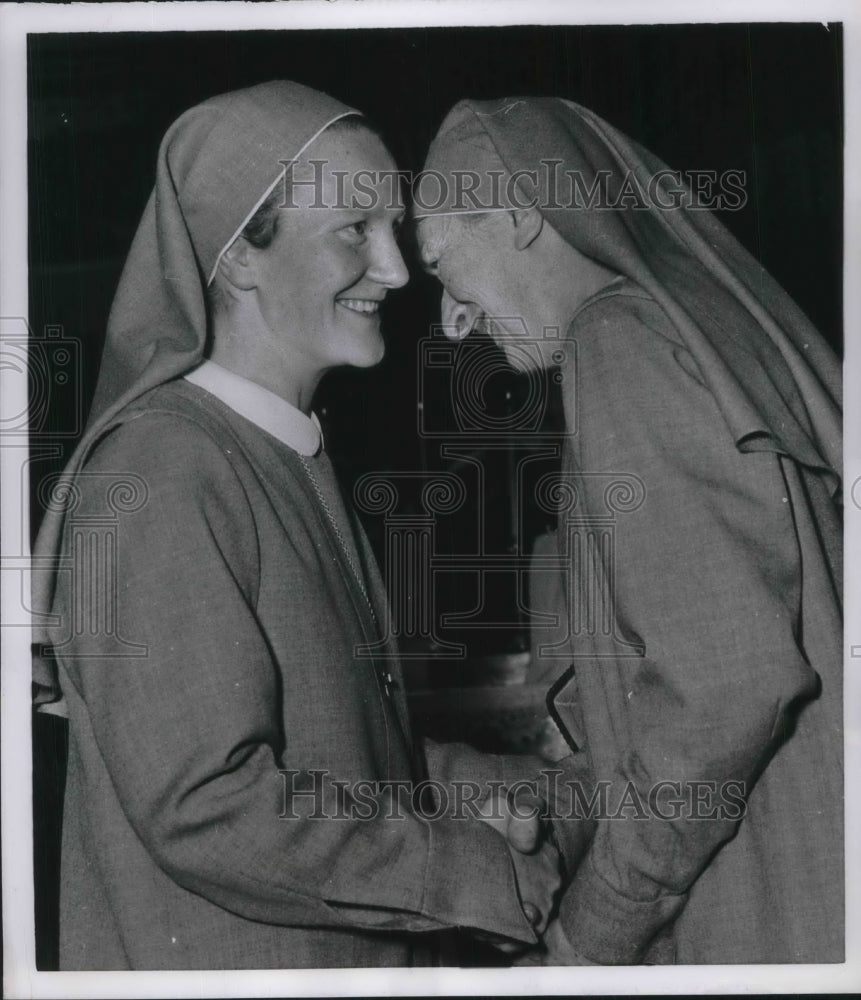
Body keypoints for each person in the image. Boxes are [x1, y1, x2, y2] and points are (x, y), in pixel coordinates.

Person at [30, 81, 569, 970]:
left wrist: (503, 789)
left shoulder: (283, 450)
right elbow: (210, 804)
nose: (397, 270)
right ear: (240, 254)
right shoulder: (166, 470)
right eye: (354, 229)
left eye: (393, 229)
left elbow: (336, 741)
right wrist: (475, 876)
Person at [415, 96, 842, 965]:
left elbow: (726, 689)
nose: (450, 319)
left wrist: (594, 929)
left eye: (439, 264)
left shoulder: (618, 342)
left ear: (518, 214)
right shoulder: (687, 323)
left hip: (767, 905)